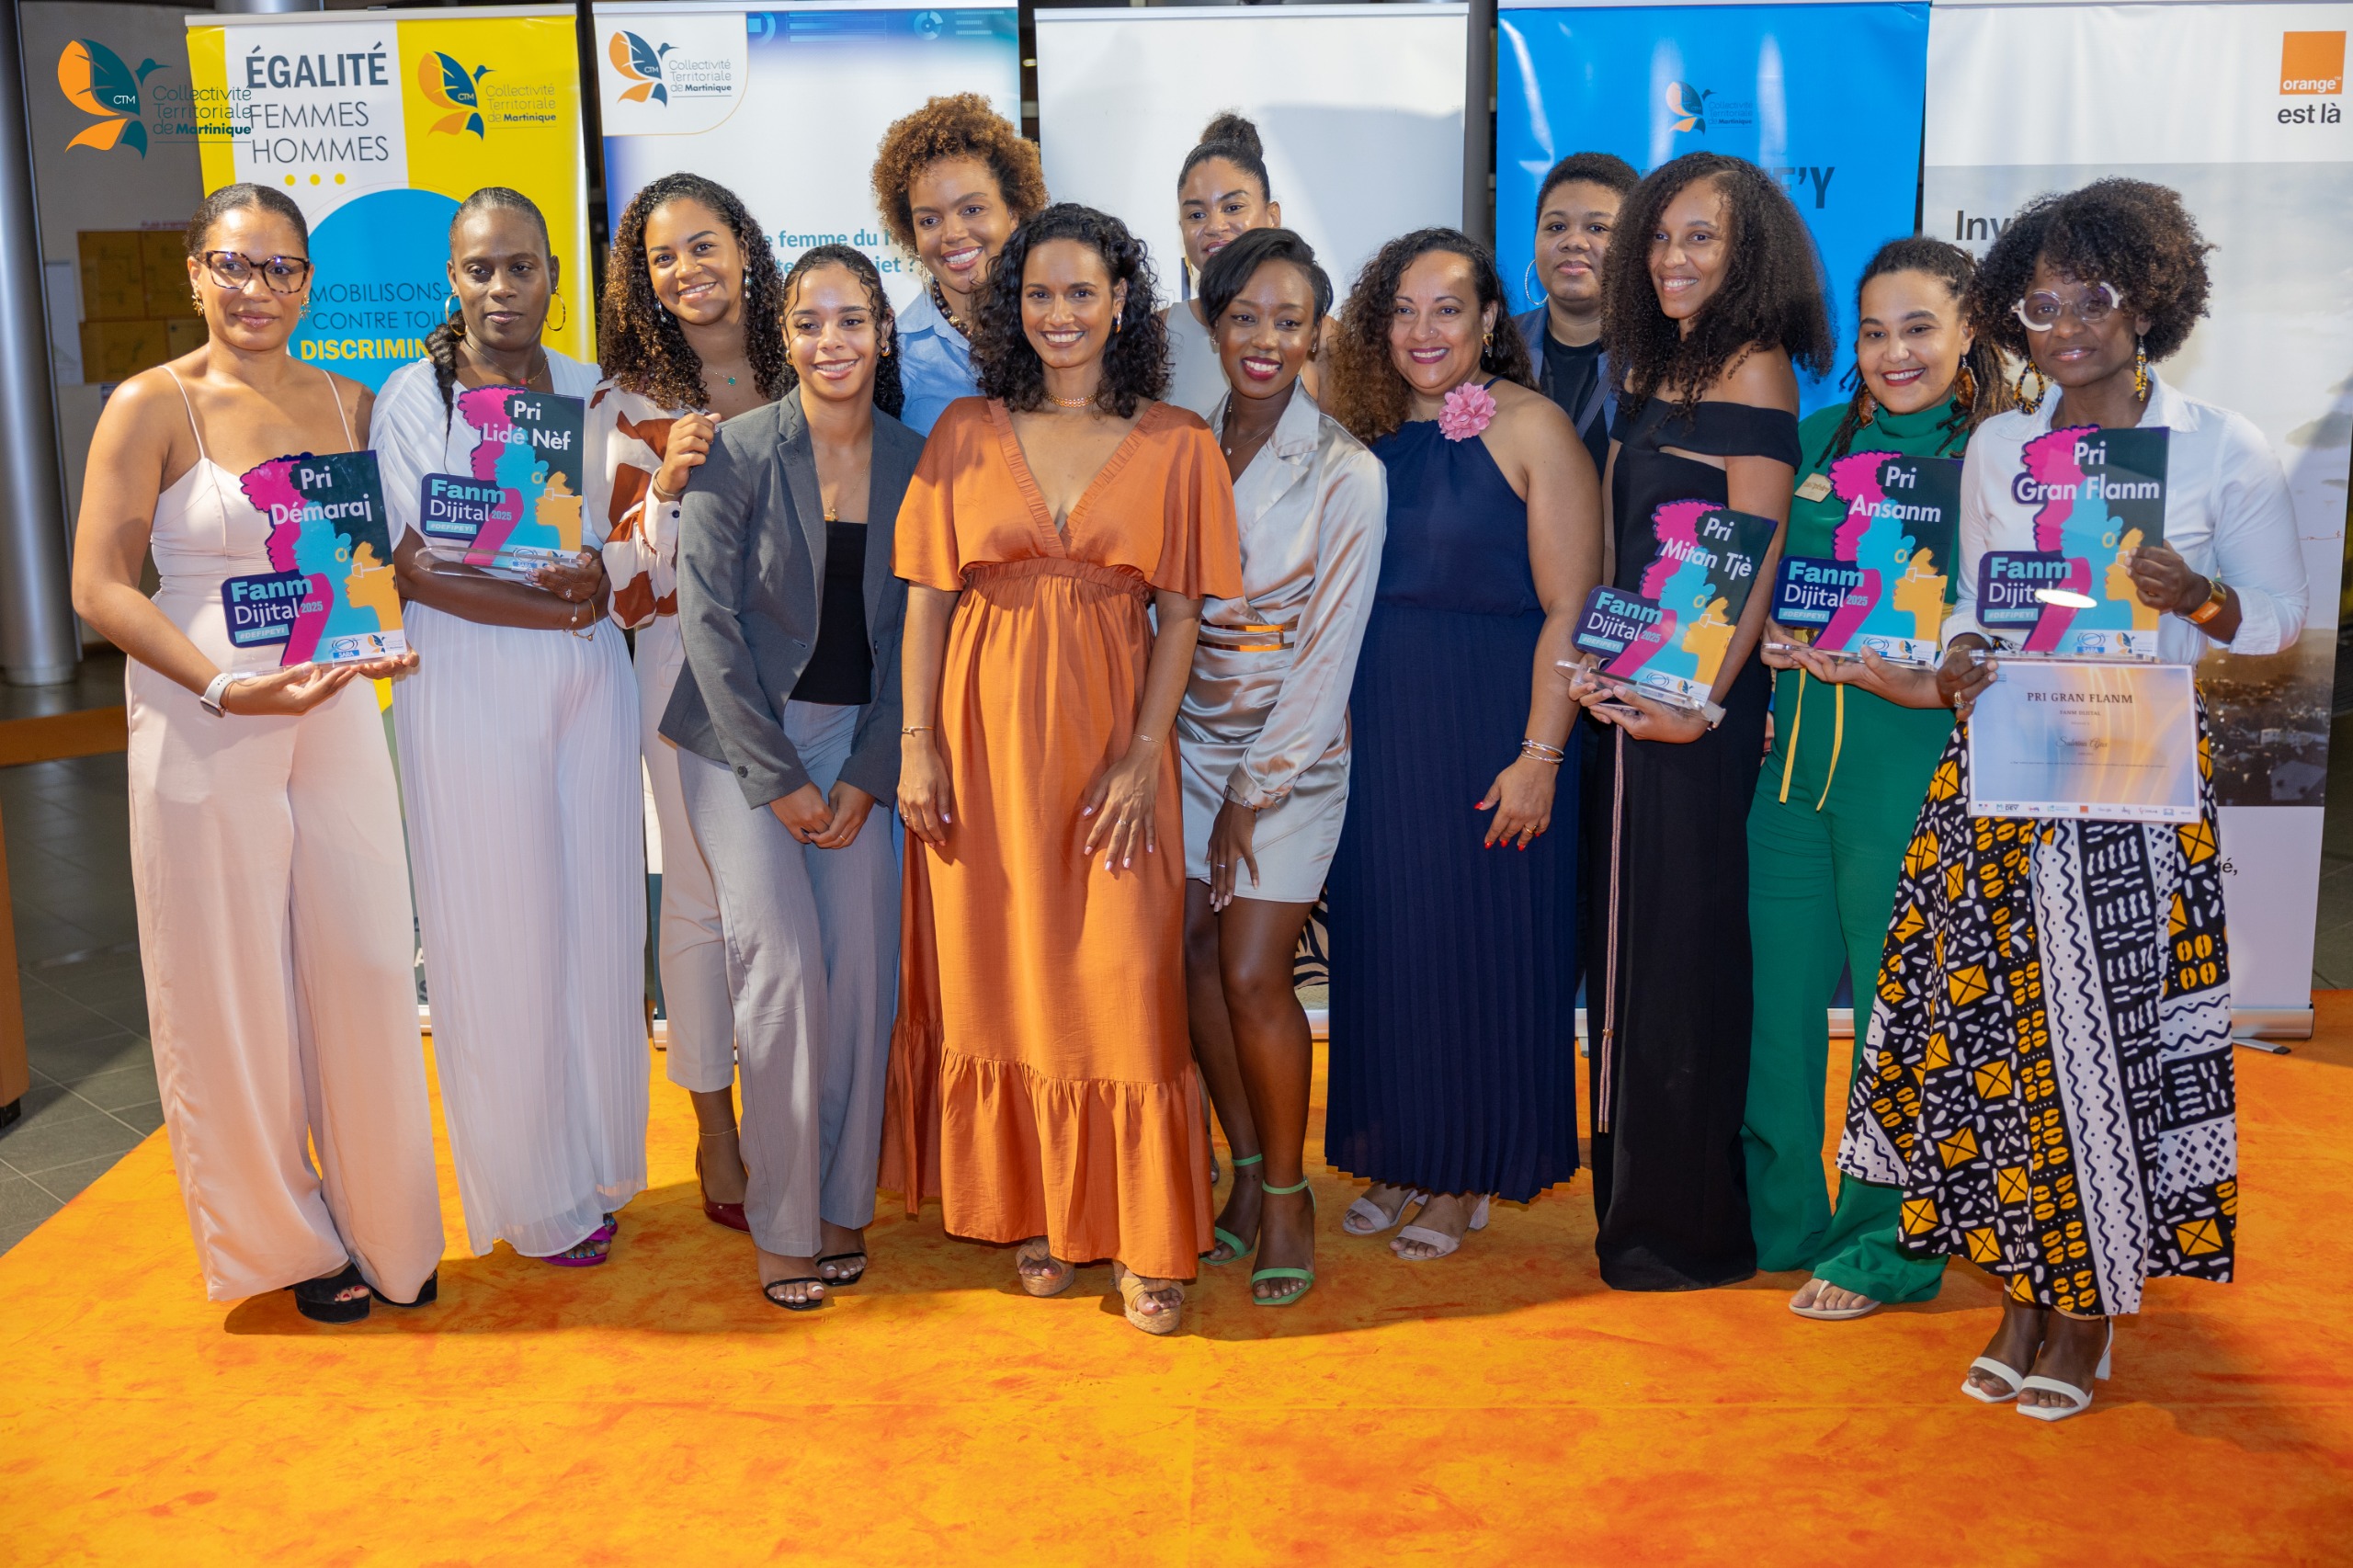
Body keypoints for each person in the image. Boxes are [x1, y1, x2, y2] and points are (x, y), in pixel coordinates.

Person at [1840, 179, 2304, 1418]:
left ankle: (2085, 1307)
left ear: (2145, 300)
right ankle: (2018, 1292)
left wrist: (2198, 595)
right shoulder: (2001, 448)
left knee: (2109, 1044)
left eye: (2090, 298)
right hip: (2005, 772)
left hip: (2135, 790)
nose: (2065, 327)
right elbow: (1979, 604)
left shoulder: (2221, 445)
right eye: (2038, 307)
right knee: (2002, 1043)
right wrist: (1958, 655)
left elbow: (2277, 620)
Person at [68, 184, 441, 1321]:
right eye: (233, 264)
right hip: (207, 709)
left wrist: (386, 626)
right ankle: (286, 1239)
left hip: (333, 700)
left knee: (366, 959)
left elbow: (363, 559)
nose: (256, 289)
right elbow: (98, 587)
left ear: (309, 285)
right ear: (195, 273)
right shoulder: (152, 402)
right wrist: (221, 683)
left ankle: (389, 1224)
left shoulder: (349, 399)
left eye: (281, 268)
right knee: (228, 982)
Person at [888, 204, 1243, 1335]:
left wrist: (1143, 753)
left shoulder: (1179, 443)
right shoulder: (963, 432)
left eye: (1081, 291)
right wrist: (916, 744)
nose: (1060, 314)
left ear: (1121, 302)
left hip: (1109, 746)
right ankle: (1039, 1205)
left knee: (1122, 980)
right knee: (1005, 974)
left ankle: (1145, 1234)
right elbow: (926, 603)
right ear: (1013, 306)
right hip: (980, 747)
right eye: (1038, 293)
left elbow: (1181, 617)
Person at [1566, 153, 1833, 1291]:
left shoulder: (1756, 367)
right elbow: (1627, 546)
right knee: (1626, 953)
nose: (1672, 257)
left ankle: (1685, 1226)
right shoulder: (1650, 361)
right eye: (1661, 235)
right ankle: (1633, 1201)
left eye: (1701, 238)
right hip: (1629, 692)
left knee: (1680, 953)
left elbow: (1753, 554)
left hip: (1696, 716)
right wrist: (1594, 655)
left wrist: (1704, 702)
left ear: (1748, 252)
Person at [374, 188, 643, 1267]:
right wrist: (564, 608)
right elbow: (414, 568)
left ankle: (592, 1161)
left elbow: (628, 533)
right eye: (479, 268)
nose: (500, 287)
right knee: (500, 932)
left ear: (552, 275)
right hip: (469, 679)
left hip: (590, 682)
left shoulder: (591, 389)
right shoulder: (416, 397)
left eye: (520, 265)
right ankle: (533, 1196)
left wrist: (603, 575)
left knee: (595, 918)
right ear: (453, 279)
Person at [1323, 228, 1600, 1262]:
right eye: (1402, 310)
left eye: (1447, 308)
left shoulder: (1534, 428)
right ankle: (1402, 1150)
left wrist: (1540, 756)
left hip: (1493, 729)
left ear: (1490, 318)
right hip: (1381, 736)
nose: (1423, 330)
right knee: (1392, 949)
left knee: (1480, 953)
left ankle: (1464, 1172)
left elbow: (1571, 607)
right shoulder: (1364, 432)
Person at [1744, 238, 2008, 1319]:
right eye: (1873, 331)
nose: (1893, 352)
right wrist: (1751, 644)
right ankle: (1776, 1217)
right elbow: (1752, 578)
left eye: (1918, 328)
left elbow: (2012, 629)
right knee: (1773, 1009)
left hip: (1907, 773)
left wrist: (1926, 675)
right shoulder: (1813, 438)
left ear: (1969, 330)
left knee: (1897, 1020)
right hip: (1786, 776)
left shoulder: (1998, 458)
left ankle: (1882, 1242)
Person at [663, 246, 921, 1310]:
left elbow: (917, 638)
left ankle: (841, 1200)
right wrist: (778, 778)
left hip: (857, 743)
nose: (832, 341)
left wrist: (868, 771)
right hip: (738, 746)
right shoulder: (736, 452)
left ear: (882, 334)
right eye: (810, 322)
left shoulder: (918, 461)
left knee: (860, 972)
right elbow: (707, 628)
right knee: (778, 967)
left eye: (852, 320)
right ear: (786, 336)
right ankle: (781, 1221)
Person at [1177, 228, 1385, 1305]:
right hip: (1180, 738)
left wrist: (1252, 789)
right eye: (1244, 317)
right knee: (1188, 953)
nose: (1265, 339)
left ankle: (1289, 1193)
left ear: (1317, 333)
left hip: (1289, 751)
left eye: (1289, 320)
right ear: (1210, 323)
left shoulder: (1350, 471)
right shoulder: (1181, 441)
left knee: (1255, 970)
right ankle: (1245, 1166)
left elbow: (1329, 648)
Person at [594, 173, 785, 1233]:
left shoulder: (809, 355)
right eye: (662, 257)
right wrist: (664, 486)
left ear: (743, 246)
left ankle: (805, 1109)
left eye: (702, 244)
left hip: (811, 665)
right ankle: (717, 1124)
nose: (686, 270)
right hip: (681, 665)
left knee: (804, 895)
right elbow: (621, 585)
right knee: (703, 903)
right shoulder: (625, 402)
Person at [869, 92, 1051, 435]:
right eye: (929, 220)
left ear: (1013, 212)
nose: (952, 234)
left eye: (972, 210)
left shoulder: (1059, 328)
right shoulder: (896, 355)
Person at [1160, 114, 1334, 420]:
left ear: (1272, 216)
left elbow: (1347, 442)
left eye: (1233, 208)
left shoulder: (1324, 339)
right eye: (1196, 215)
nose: (1215, 226)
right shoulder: (1156, 334)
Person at [1512, 152, 1639, 476]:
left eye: (1597, 227)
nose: (1573, 241)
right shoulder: (1496, 347)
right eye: (1556, 226)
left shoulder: (1666, 357)